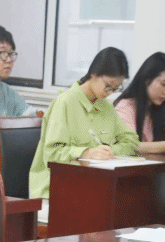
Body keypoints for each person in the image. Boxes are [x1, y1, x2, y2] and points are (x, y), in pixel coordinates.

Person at [29, 47, 140, 216]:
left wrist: (108, 151)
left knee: (126, 209)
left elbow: (131, 142)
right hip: (54, 193)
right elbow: (51, 154)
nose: (110, 93)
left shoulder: (105, 106)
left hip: (91, 189)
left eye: (116, 89)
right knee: (103, 215)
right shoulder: (65, 103)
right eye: (108, 86)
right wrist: (86, 153)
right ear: (93, 73)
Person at [114, 52, 165, 154]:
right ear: (147, 79)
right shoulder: (126, 106)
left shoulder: (161, 110)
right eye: (163, 84)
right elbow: (131, 145)